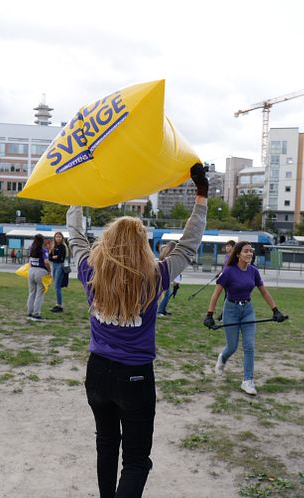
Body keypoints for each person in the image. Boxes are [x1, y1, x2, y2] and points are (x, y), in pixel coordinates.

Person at [67, 163, 208, 498]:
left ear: (108, 243)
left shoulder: (90, 271)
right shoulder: (156, 276)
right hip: (135, 377)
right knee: (135, 461)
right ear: (143, 244)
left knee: (106, 447)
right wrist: (201, 196)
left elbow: (75, 236)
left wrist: (76, 195)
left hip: (97, 373)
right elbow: (188, 246)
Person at [204, 241, 287, 396]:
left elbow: (264, 292)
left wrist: (275, 310)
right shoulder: (228, 271)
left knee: (249, 346)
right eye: (246, 251)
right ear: (238, 254)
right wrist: (209, 314)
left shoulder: (253, 271)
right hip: (231, 310)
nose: (250, 253)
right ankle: (222, 358)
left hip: (248, 310)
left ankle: (247, 380)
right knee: (232, 346)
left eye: (251, 251)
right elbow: (216, 294)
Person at [26, 234, 50, 321]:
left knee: (32, 292)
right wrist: (49, 271)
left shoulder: (31, 249)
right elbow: (46, 262)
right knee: (39, 293)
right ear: (42, 241)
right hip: (40, 271)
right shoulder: (43, 250)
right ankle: (36, 313)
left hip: (31, 270)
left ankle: (29, 311)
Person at [157, 241, 178, 317]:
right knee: (166, 294)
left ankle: (162, 310)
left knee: (166, 294)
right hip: (164, 278)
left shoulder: (164, 255)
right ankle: (159, 311)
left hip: (164, 277)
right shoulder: (169, 258)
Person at [49, 231, 68, 313]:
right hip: (54, 265)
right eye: (56, 237)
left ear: (62, 238)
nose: (58, 238)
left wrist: (55, 257)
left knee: (57, 287)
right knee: (56, 286)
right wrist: (54, 257)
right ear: (54, 238)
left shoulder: (63, 246)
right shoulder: (53, 246)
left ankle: (59, 306)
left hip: (60, 266)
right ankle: (58, 304)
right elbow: (50, 257)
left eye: (59, 237)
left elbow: (60, 257)